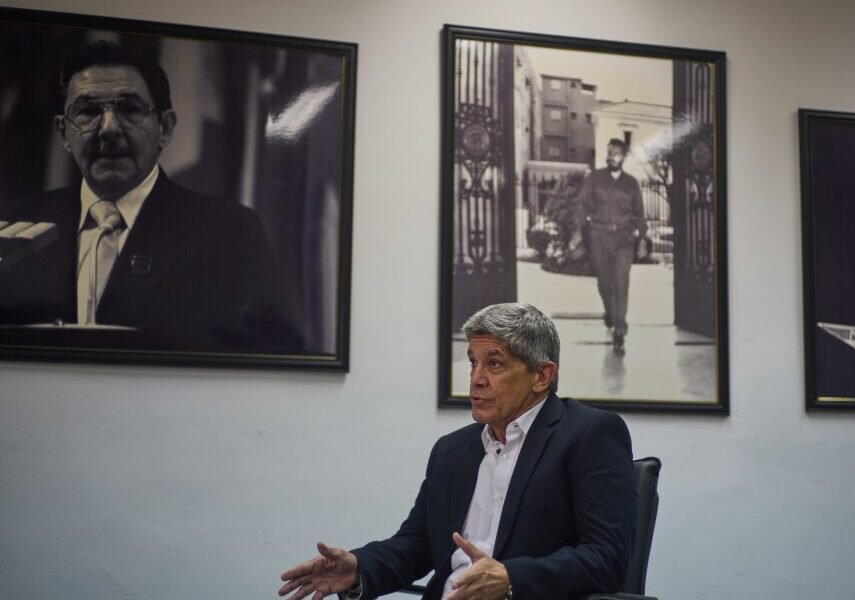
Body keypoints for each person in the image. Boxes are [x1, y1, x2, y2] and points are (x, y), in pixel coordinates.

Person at [279, 303, 637, 600]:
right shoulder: (452, 451)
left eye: (494, 363)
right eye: (473, 362)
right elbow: (416, 545)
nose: (476, 378)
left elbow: (606, 558)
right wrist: (358, 568)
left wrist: (510, 579)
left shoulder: (588, 435)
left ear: (542, 375)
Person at [0, 41, 283, 351]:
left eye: (130, 109)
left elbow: (261, 355)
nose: (108, 128)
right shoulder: (13, 226)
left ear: (165, 128)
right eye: (88, 111)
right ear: (64, 133)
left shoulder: (230, 233)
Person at [578, 138, 646, 355]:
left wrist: (643, 238)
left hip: (624, 239)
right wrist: (578, 234)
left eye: (616, 152)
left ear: (623, 157)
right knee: (604, 283)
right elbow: (583, 206)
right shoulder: (594, 178)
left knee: (621, 283)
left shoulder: (632, 183)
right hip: (599, 236)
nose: (611, 156)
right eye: (609, 152)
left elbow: (640, 214)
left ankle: (619, 329)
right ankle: (609, 311)